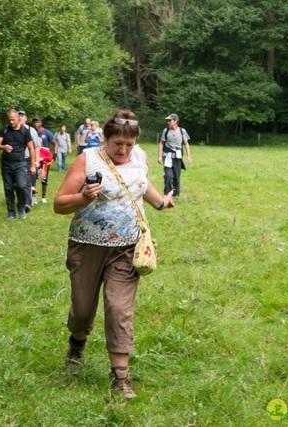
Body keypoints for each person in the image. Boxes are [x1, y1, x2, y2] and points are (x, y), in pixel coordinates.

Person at [53, 110, 175, 399]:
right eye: (117, 143)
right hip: (87, 244)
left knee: (119, 309)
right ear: (104, 138)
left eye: (128, 145)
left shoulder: (141, 157)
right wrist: (83, 197)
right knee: (83, 311)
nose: (123, 150)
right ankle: (77, 344)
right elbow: (59, 204)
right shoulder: (88, 159)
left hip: (127, 247)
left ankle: (120, 377)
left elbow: (140, 185)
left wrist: (159, 202)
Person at [0, 109, 36, 219]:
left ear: (18, 118)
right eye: (9, 120)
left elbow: (31, 149)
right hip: (6, 164)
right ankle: (11, 213)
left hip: (20, 163)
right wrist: (4, 147)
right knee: (8, 189)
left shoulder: (24, 131)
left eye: (13, 120)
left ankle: (21, 207)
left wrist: (32, 165)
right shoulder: (4, 130)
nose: (11, 122)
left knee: (21, 186)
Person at [158, 113, 192, 197]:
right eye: (168, 121)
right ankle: (167, 194)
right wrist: (159, 156)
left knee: (177, 177)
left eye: (170, 120)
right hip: (167, 156)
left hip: (177, 157)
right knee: (168, 175)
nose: (168, 122)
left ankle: (175, 194)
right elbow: (161, 143)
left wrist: (189, 156)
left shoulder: (182, 131)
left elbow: (186, 144)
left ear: (175, 121)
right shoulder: (165, 131)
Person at [17, 110, 38, 210]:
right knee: (18, 182)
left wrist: (36, 161)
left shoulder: (31, 130)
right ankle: (22, 200)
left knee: (27, 181)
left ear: (26, 118)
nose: (20, 118)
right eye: (18, 116)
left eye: (22, 116)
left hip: (28, 159)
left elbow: (36, 147)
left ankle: (27, 203)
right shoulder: (14, 130)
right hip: (16, 160)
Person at [32, 116, 56, 203]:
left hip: (45, 158)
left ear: (41, 123)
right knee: (33, 177)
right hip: (35, 157)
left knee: (44, 178)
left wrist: (54, 155)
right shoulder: (31, 132)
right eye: (34, 122)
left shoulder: (47, 133)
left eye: (37, 122)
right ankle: (33, 196)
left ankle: (43, 197)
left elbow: (54, 143)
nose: (35, 124)